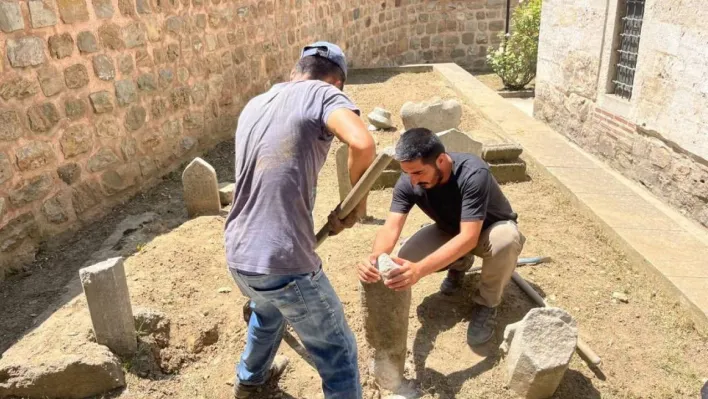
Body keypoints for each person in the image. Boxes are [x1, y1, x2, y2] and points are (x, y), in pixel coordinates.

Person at [224, 41, 376, 398]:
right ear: (337, 83)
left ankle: (250, 380)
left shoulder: (256, 104)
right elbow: (363, 144)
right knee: (337, 351)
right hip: (283, 262)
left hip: (239, 253)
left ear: (295, 72)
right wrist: (355, 205)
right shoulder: (324, 94)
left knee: (268, 310)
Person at [358, 128, 525, 345]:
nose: (413, 181)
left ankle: (487, 304)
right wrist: (375, 258)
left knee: (507, 240)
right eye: (408, 173)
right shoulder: (409, 180)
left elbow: (469, 238)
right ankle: (459, 265)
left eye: (418, 173)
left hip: (488, 233)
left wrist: (419, 271)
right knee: (406, 257)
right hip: (450, 230)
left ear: (441, 160)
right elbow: (391, 227)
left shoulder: (473, 173)